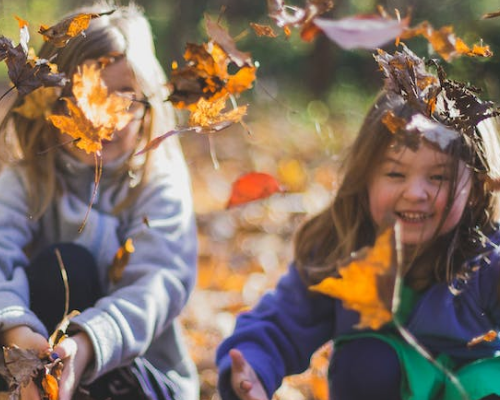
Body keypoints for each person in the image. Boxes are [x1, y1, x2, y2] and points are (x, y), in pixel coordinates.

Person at [216, 45, 500, 400]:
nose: (415, 192)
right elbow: (281, 322)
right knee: (366, 358)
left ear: (475, 187)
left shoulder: (489, 258)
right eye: (395, 173)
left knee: (487, 384)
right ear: (365, 178)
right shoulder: (345, 247)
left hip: (472, 388)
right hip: (386, 383)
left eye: (439, 177)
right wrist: (253, 368)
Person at [0, 2, 199, 400]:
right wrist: (17, 333)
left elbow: (156, 285)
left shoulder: (157, 184)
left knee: (72, 265)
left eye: (124, 97)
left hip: (139, 377)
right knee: (62, 264)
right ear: (51, 103)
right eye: (84, 95)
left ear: (148, 102)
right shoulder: (27, 181)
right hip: (33, 355)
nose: (105, 118)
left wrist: (86, 346)